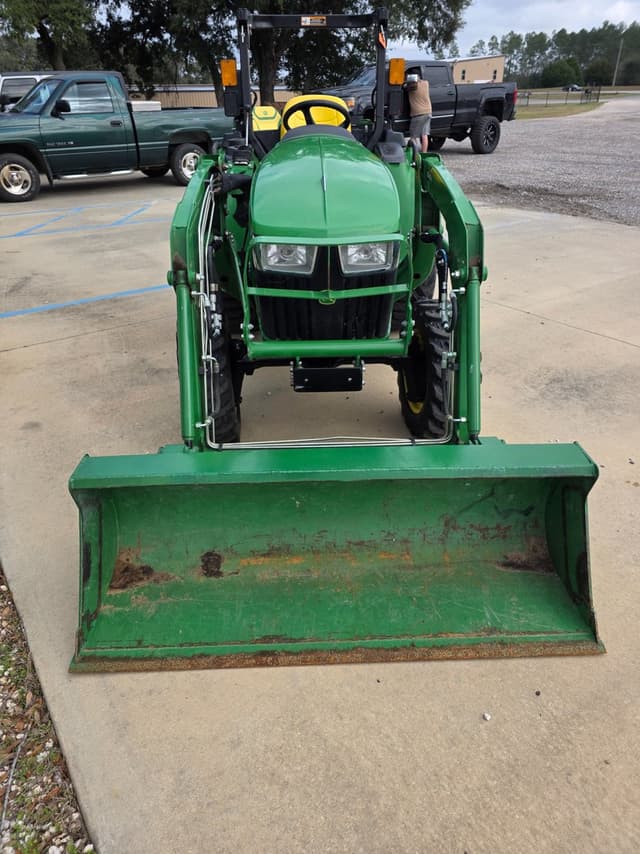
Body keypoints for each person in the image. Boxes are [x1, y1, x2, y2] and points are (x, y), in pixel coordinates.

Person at [405, 73, 432, 153]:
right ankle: (424, 153)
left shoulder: (411, 87)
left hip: (418, 114)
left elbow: (404, 87)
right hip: (428, 112)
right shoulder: (426, 83)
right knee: (424, 135)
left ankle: (413, 154)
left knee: (413, 137)